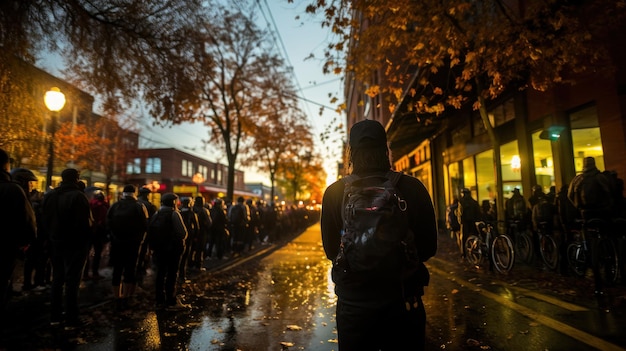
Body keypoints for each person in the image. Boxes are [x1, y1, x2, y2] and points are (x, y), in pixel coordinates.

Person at [320, 120, 437, 351]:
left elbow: (331, 251)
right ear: (386, 150)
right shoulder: (412, 188)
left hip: (354, 305)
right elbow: (428, 247)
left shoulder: (334, 193)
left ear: (351, 153)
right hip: (403, 302)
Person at [41, 168, 93, 329]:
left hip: (55, 242)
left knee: (57, 279)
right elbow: (85, 224)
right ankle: (71, 318)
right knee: (72, 281)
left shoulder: (50, 195)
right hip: (75, 244)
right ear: (76, 179)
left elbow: (44, 219)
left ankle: (55, 316)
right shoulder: (78, 196)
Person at [567, 156, 614, 295]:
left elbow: (570, 195)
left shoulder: (578, 179)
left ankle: (588, 256)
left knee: (588, 239)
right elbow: (609, 193)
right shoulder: (600, 177)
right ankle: (609, 266)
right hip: (601, 213)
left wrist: (578, 207)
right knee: (606, 238)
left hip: (585, 214)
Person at [0, 152, 37, 309]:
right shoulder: (13, 190)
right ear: (6, 165)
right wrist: (25, 242)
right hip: (5, 247)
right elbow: (28, 221)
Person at [106, 185, 149, 310]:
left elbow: (107, 223)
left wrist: (112, 238)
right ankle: (126, 297)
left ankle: (117, 297)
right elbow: (145, 225)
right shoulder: (139, 206)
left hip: (116, 243)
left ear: (123, 193)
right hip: (133, 244)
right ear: (134, 193)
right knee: (130, 270)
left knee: (117, 270)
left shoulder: (114, 205)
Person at [148, 193, 189, 310]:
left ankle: (159, 300)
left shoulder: (157, 214)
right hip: (173, 250)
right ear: (173, 203)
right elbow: (183, 233)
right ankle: (171, 301)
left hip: (159, 250)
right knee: (172, 274)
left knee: (160, 274)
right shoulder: (174, 214)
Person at [85, 191, 109, 280]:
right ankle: (95, 272)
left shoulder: (90, 204)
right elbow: (105, 219)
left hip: (89, 231)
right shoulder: (104, 206)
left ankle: (85, 273)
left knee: (86, 253)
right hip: (99, 232)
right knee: (98, 253)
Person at [136, 187, 157, 284]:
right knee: (144, 250)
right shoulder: (149, 205)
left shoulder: (135, 203)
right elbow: (153, 221)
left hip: (134, 232)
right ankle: (141, 268)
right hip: (145, 232)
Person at [456, 188, 482, 259]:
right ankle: (475, 253)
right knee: (474, 237)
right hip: (473, 222)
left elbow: (460, 213)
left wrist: (460, 222)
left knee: (464, 238)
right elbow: (478, 213)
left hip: (465, 223)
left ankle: (464, 254)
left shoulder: (461, 201)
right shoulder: (474, 202)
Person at [178, 197, 198, 284]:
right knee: (185, 256)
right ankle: (182, 276)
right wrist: (196, 236)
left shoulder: (178, 212)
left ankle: (176, 275)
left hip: (179, 237)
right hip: (189, 237)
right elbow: (197, 227)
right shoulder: (192, 213)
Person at [191, 196, 212, 270]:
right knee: (200, 249)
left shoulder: (191, 210)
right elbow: (209, 223)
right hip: (202, 232)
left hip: (191, 233)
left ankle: (190, 264)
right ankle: (198, 265)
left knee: (191, 248)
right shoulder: (204, 211)